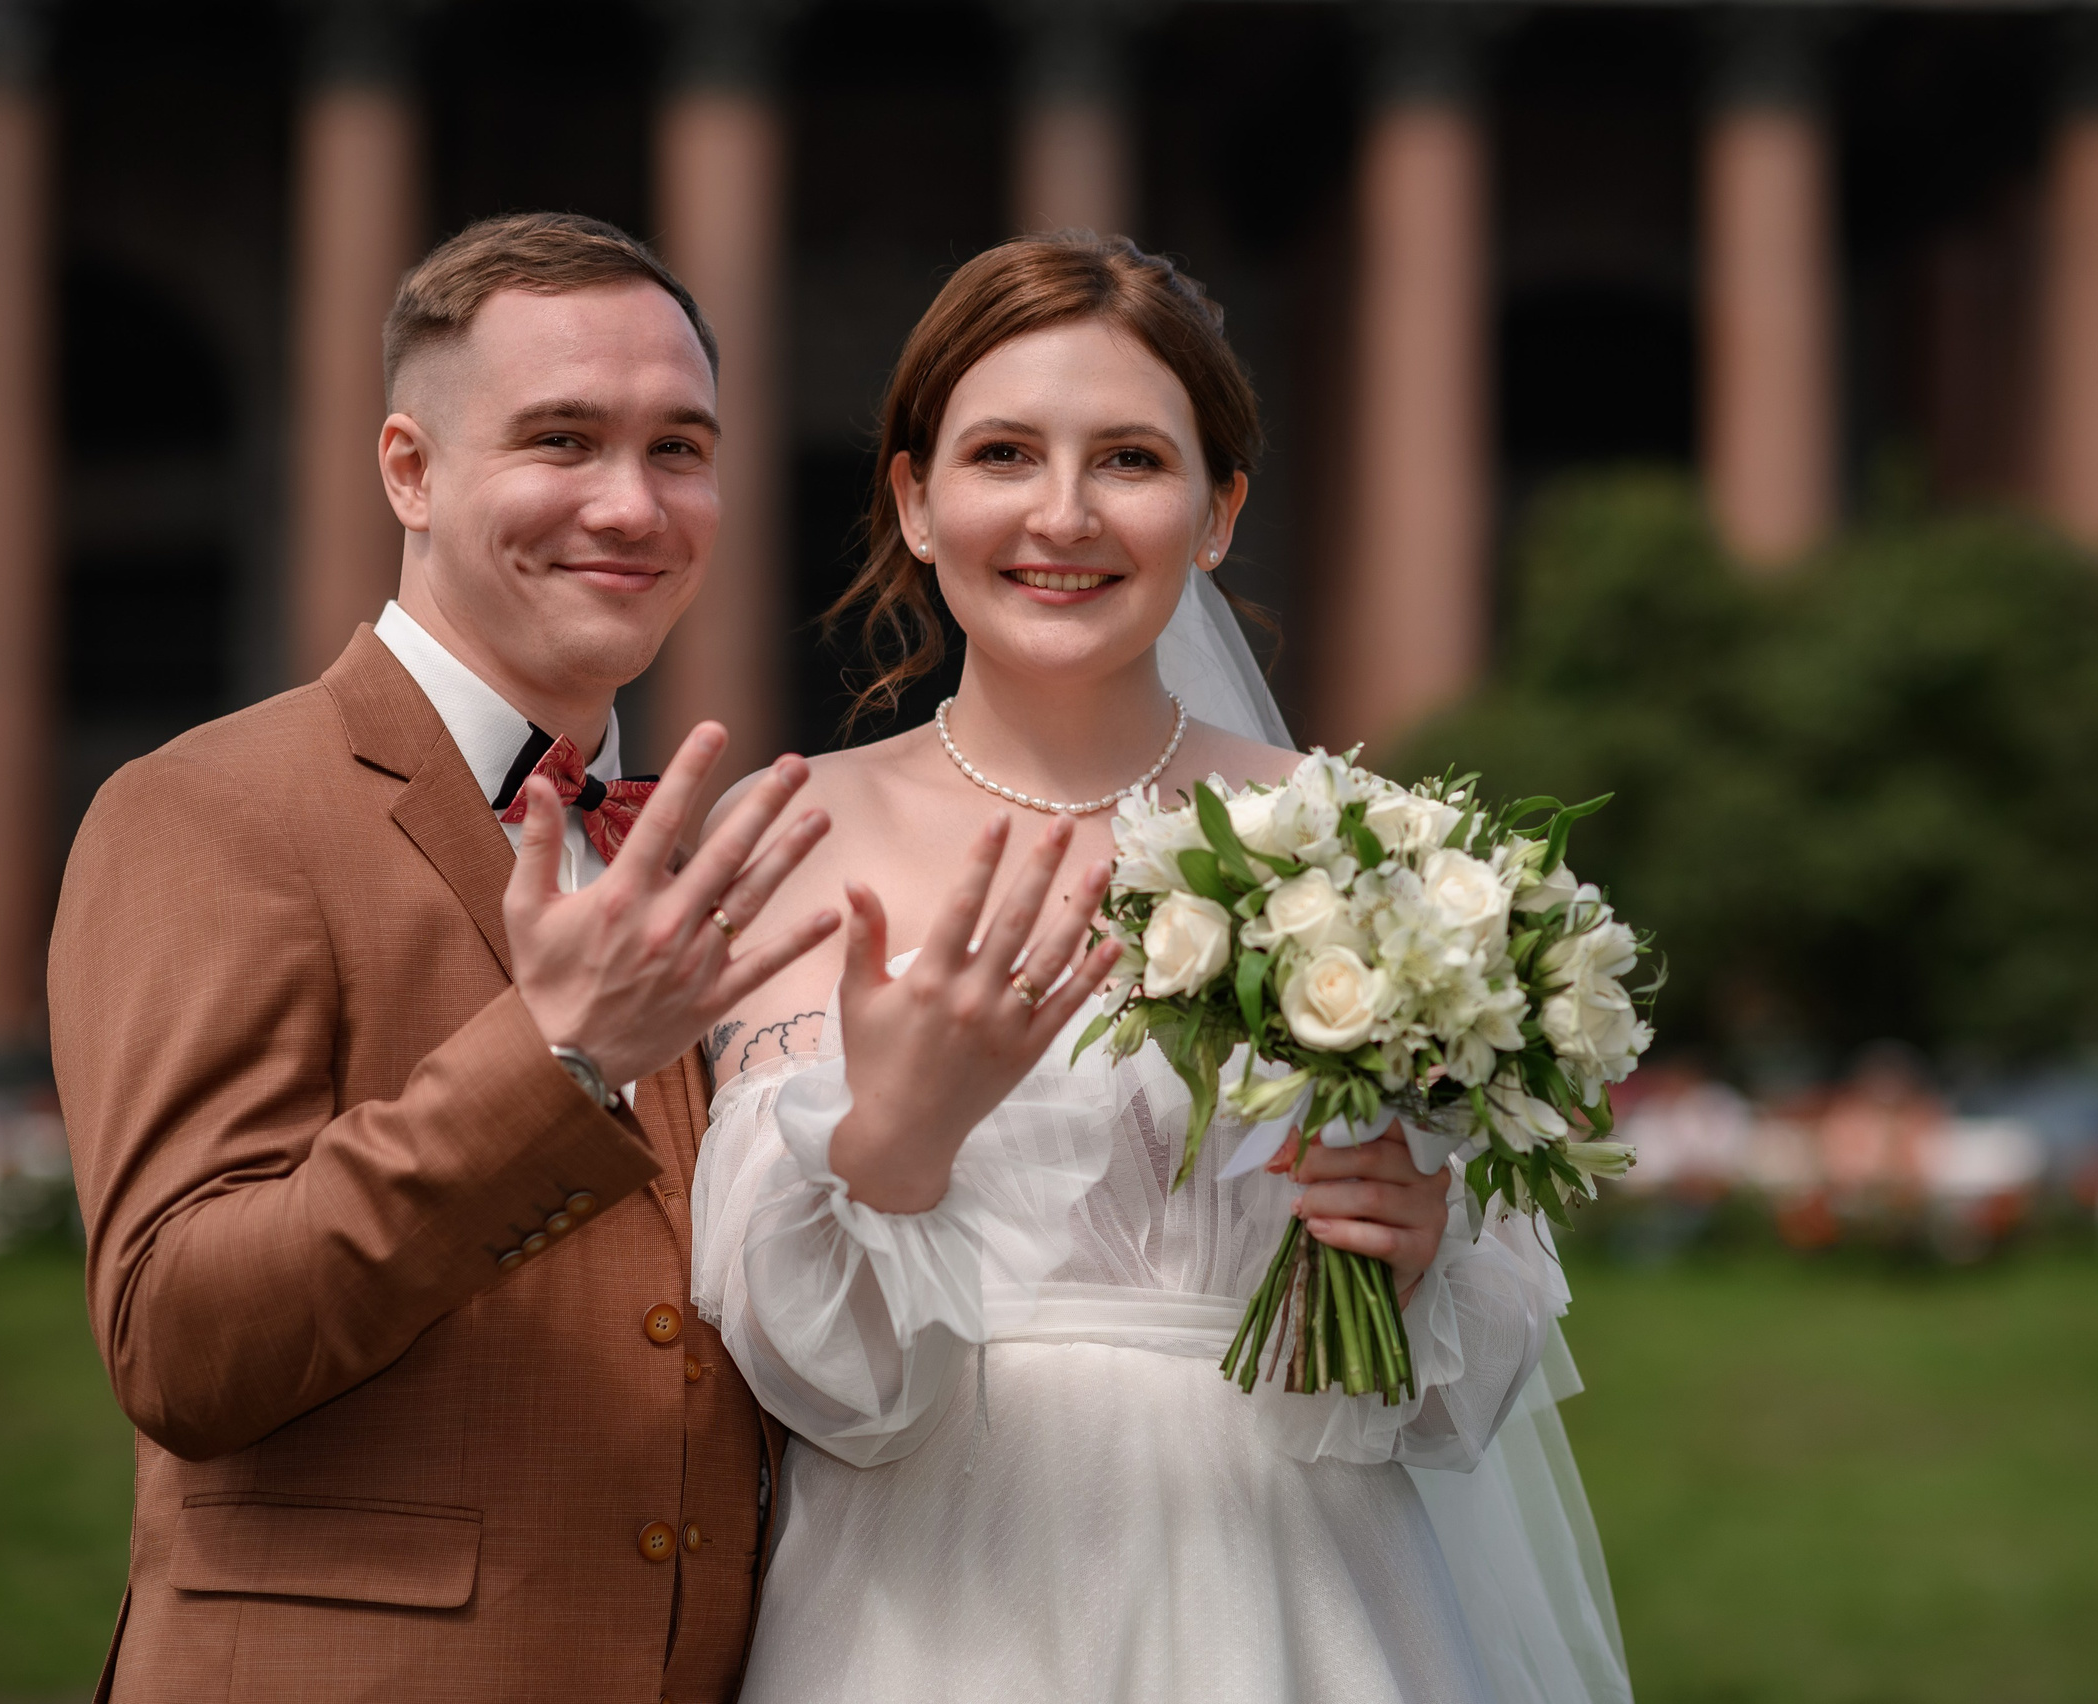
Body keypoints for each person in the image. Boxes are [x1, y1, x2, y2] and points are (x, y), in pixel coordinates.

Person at [688, 236, 1630, 1704]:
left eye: (1130, 458)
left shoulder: (1370, 850)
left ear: (1217, 513)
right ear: (915, 499)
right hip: (926, 1613)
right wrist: (895, 1144)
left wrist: (1423, 1245)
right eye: (1004, 453)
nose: (1063, 515)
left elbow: (1464, 1387)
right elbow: (809, 1383)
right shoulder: (780, 843)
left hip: (1302, 1603)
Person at [50, 214, 835, 1701]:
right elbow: (182, 1343)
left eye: (680, 448)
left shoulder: (682, 842)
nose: (631, 503)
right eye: (562, 439)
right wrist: (555, 1061)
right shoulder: (208, 809)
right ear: (409, 468)